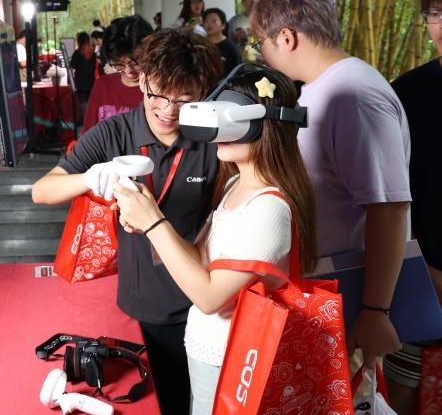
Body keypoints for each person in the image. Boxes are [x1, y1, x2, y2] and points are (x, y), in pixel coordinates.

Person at [32, 30, 223, 415]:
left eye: (184, 99)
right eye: (158, 95)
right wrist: (88, 179)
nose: (168, 110)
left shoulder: (213, 141)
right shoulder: (113, 134)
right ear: (142, 79)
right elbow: (42, 191)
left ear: (202, 93)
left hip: (199, 309)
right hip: (137, 306)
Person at [113, 65, 318, 415]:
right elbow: (199, 259)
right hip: (208, 351)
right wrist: (149, 223)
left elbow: (210, 297)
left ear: (262, 125)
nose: (214, 133)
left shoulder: (269, 208)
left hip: (237, 360)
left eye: (226, 120)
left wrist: (154, 223)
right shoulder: (235, 184)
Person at [250, 0, 411, 369]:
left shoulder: (354, 95)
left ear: (286, 38)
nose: (261, 54)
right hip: (327, 287)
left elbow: (388, 208)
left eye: (260, 43)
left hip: (351, 292)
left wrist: (375, 310)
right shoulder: (323, 88)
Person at [387, 0, 442, 414]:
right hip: (422, 271)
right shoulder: (405, 93)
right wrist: (421, 265)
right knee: (404, 389)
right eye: (435, 13)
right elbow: (390, 192)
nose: (441, 24)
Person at [82, 15, 153, 131]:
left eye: (136, 62)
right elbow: (88, 134)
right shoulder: (103, 86)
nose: (128, 71)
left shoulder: (159, 89)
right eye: (119, 64)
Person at [202, 7, 241, 77]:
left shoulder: (231, 48)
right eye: (206, 21)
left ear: (223, 25)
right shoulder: (199, 45)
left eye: (214, 21)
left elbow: (236, 74)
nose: (209, 24)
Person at [69, 31, 97, 103]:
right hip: (91, 82)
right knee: (90, 102)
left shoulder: (77, 53)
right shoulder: (93, 53)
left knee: (82, 103)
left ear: (79, 41)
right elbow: (94, 67)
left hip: (80, 83)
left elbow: (72, 65)